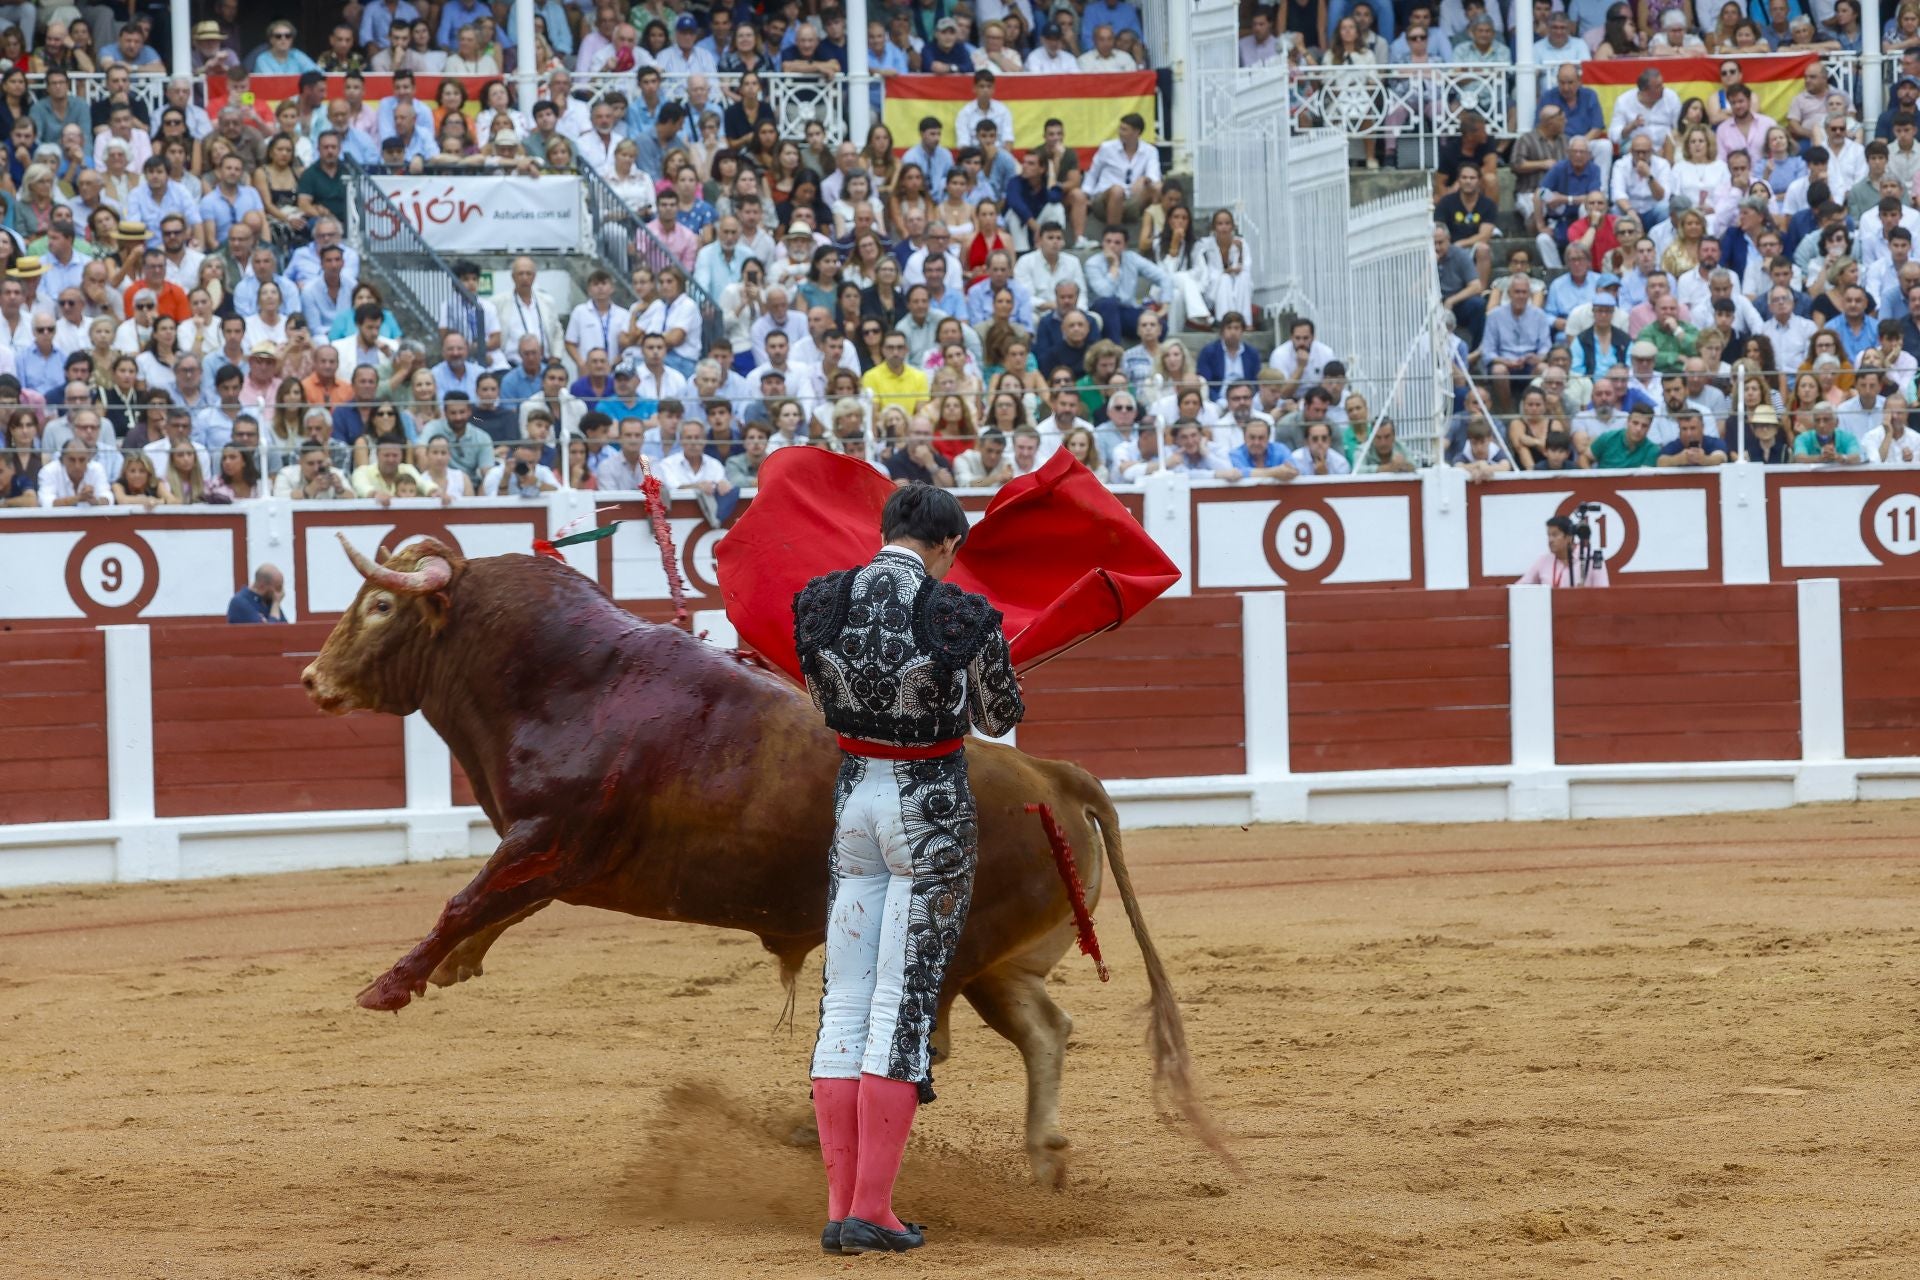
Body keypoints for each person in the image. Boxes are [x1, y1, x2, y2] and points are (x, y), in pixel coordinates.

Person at [792, 483, 1023, 1258]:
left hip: (855, 803)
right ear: (948, 544)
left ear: (884, 532)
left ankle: (840, 1208)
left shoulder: (817, 601)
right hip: (927, 812)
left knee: (847, 997)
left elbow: (820, 695)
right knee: (901, 998)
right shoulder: (962, 615)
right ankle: (874, 1210)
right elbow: (999, 717)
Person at [1518, 515, 1611, 587]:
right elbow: (1520, 587)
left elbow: (1603, 592)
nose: (1550, 540)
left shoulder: (1592, 559)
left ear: (1569, 537)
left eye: (1555, 535)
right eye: (1549, 535)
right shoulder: (1543, 560)